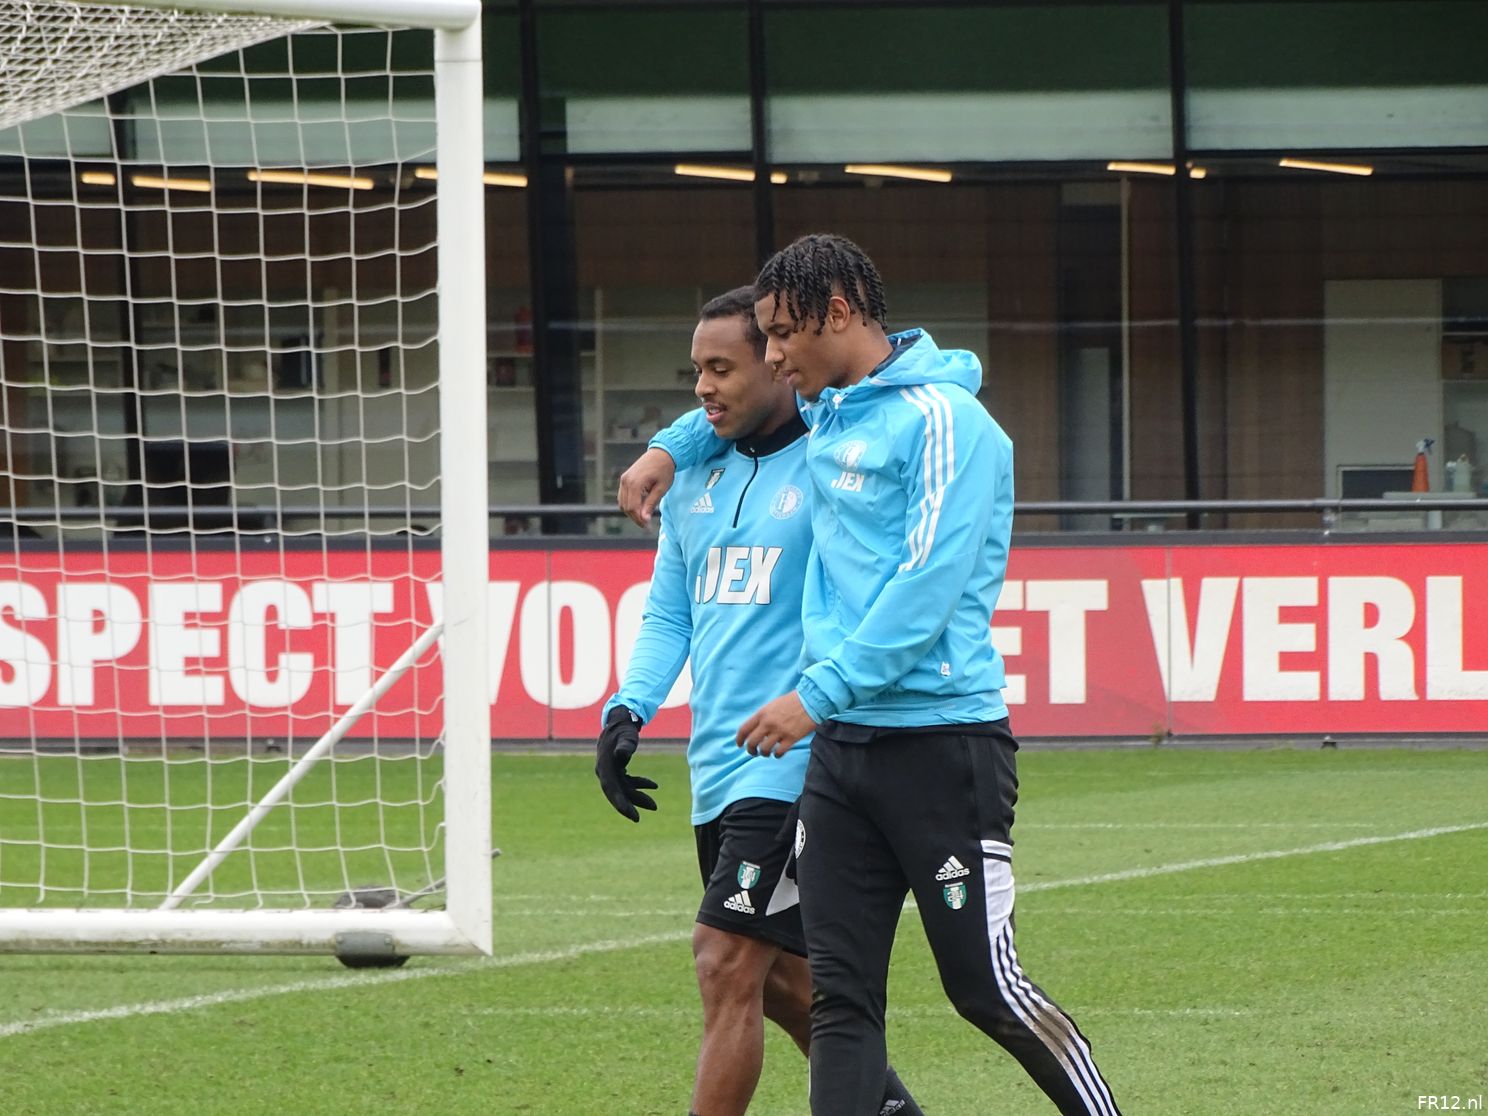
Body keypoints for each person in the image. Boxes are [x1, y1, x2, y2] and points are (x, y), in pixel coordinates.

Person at [625, 235, 1124, 1116]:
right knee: (841, 1002)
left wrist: (813, 695)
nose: (773, 356)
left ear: (841, 315)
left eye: (782, 335)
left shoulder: (949, 423)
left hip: (942, 745)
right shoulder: (831, 415)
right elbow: (729, 409)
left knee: (985, 992)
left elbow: (925, 588)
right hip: (841, 759)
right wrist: (666, 448)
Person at [597, 287, 923, 1116]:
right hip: (718, 767)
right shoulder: (696, 472)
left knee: (723, 959)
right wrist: (628, 709)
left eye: (723, 368)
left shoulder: (831, 459)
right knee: (783, 982)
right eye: (695, 370)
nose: (704, 387)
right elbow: (672, 611)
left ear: (779, 365)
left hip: (794, 762)